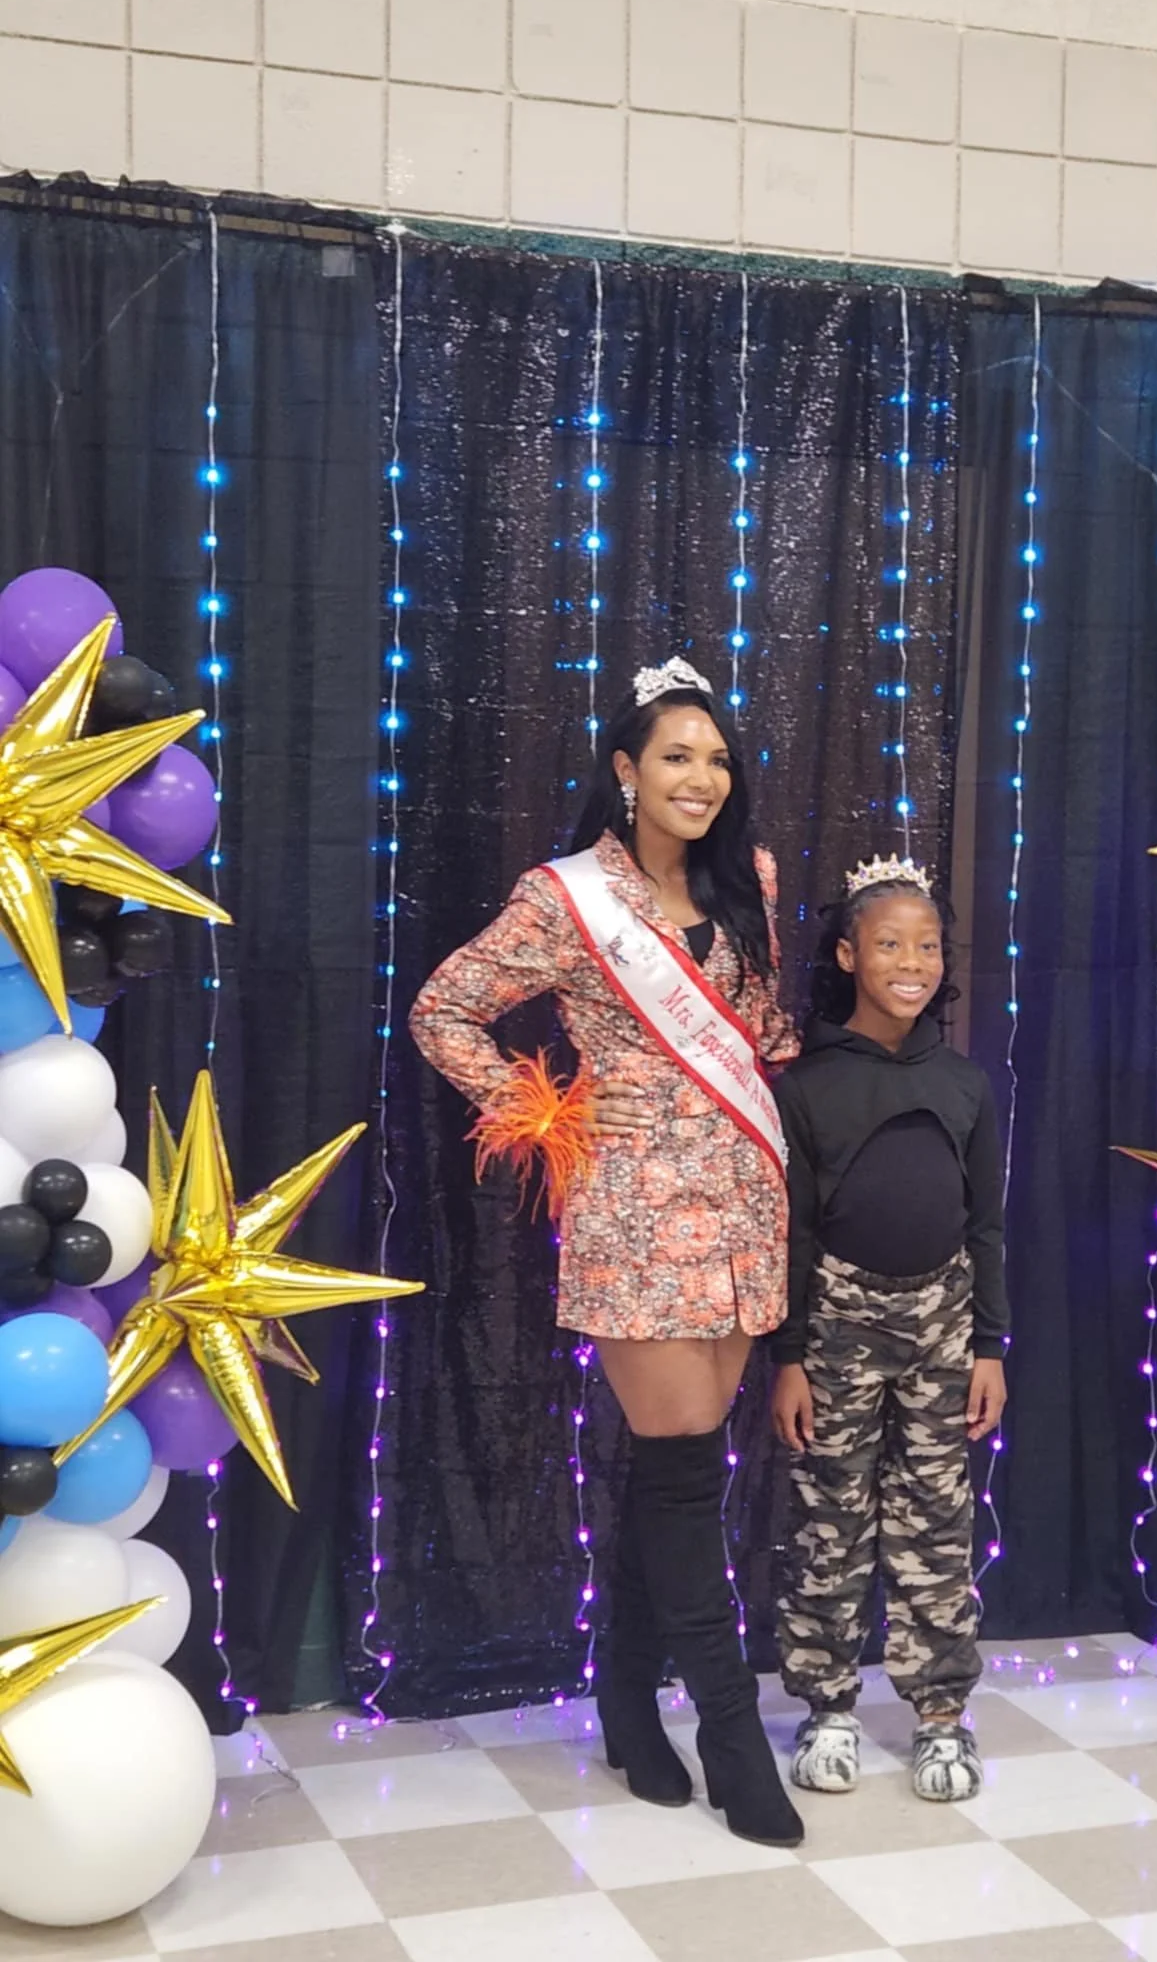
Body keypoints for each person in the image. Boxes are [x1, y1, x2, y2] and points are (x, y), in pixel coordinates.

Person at [409, 656, 803, 1849]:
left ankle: (629, 1703)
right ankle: (732, 1737)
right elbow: (444, 1006)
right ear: (628, 771)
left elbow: (767, 1033)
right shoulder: (563, 897)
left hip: (743, 1199)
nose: (702, 777)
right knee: (685, 1472)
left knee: (678, 1470)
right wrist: (548, 1108)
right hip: (634, 1210)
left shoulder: (755, 885)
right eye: (677, 756)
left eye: (718, 758)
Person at [770, 856, 1008, 1803]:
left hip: (945, 1325)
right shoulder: (806, 1086)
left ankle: (941, 1717)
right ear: (846, 954)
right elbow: (788, 1230)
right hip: (836, 1324)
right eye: (887, 944)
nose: (911, 961)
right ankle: (826, 1706)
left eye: (926, 945)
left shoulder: (966, 1084)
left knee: (938, 1525)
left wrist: (989, 1344)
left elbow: (986, 1223)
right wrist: (788, 1357)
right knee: (829, 1520)